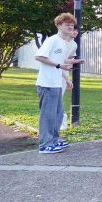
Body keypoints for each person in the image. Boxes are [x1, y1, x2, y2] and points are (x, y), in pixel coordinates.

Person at [34, 13, 80, 153]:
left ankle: (53, 140)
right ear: (59, 25)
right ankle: (45, 144)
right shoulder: (52, 40)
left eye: (72, 25)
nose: (70, 27)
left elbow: (63, 61)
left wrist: (69, 64)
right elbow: (39, 56)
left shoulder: (64, 43)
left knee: (58, 114)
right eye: (67, 25)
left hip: (56, 84)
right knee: (48, 115)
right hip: (47, 83)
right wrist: (59, 66)